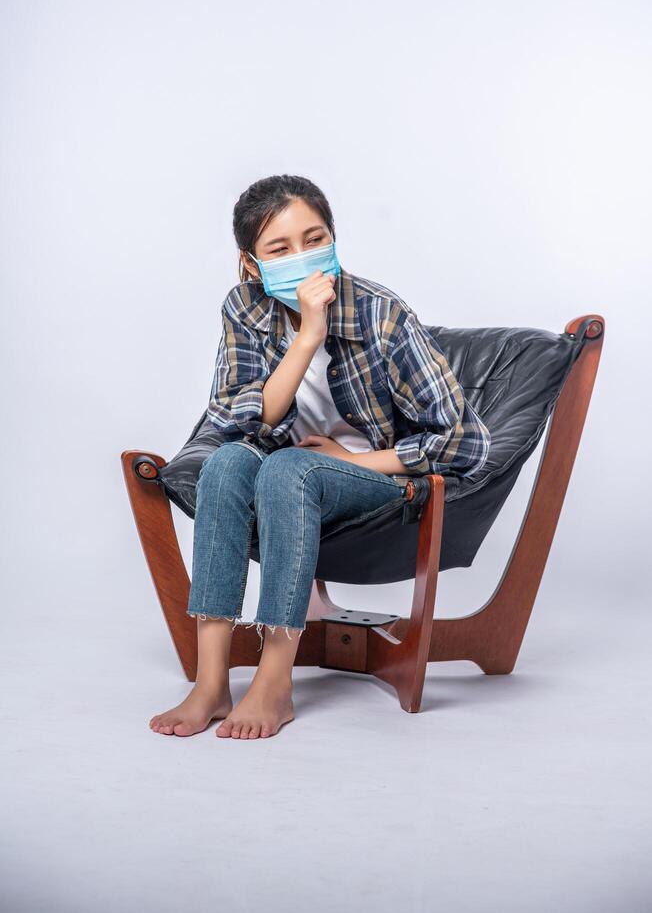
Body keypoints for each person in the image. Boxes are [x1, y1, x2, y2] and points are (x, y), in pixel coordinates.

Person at [150, 174, 491, 740]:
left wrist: (352, 461)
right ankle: (211, 682)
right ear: (251, 266)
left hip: (378, 479)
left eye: (315, 239)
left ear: (334, 239)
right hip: (290, 472)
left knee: (287, 467)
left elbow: (464, 442)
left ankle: (275, 680)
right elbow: (243, 415)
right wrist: (307, 335)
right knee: (229, 463)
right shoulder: (246, 307)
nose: (304, 258)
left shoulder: (381, 315)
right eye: (280, 249)